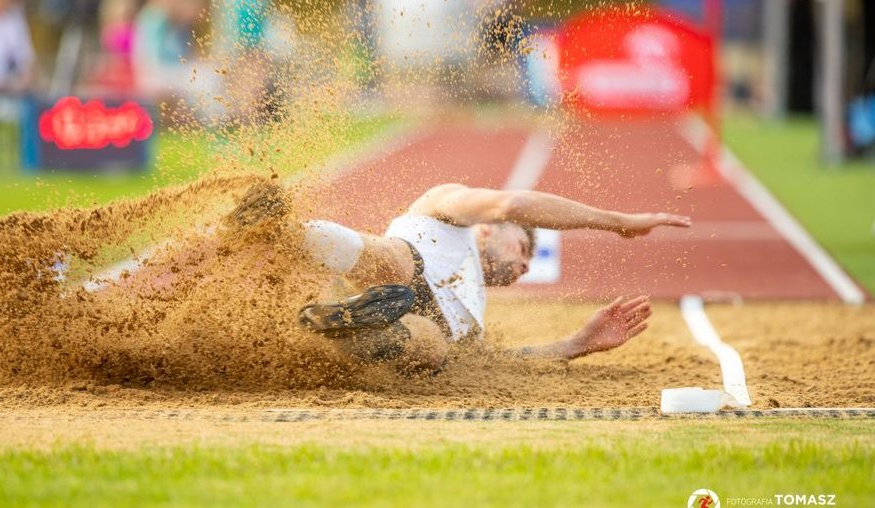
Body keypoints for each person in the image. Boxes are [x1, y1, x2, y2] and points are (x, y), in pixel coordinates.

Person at [88, 179, 691, 374]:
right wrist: (618, 222)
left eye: (534, 260)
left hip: (407, 333)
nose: (528, 263)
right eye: (526, 249)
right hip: (394, 268)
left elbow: (500, 369)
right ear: (490, 233)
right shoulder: (450, 208)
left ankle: (334, 329)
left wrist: (581, 343)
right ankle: (285, 232)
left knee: (439, 349)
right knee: (398, 265)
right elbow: (512, 205)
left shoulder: (477, 316)